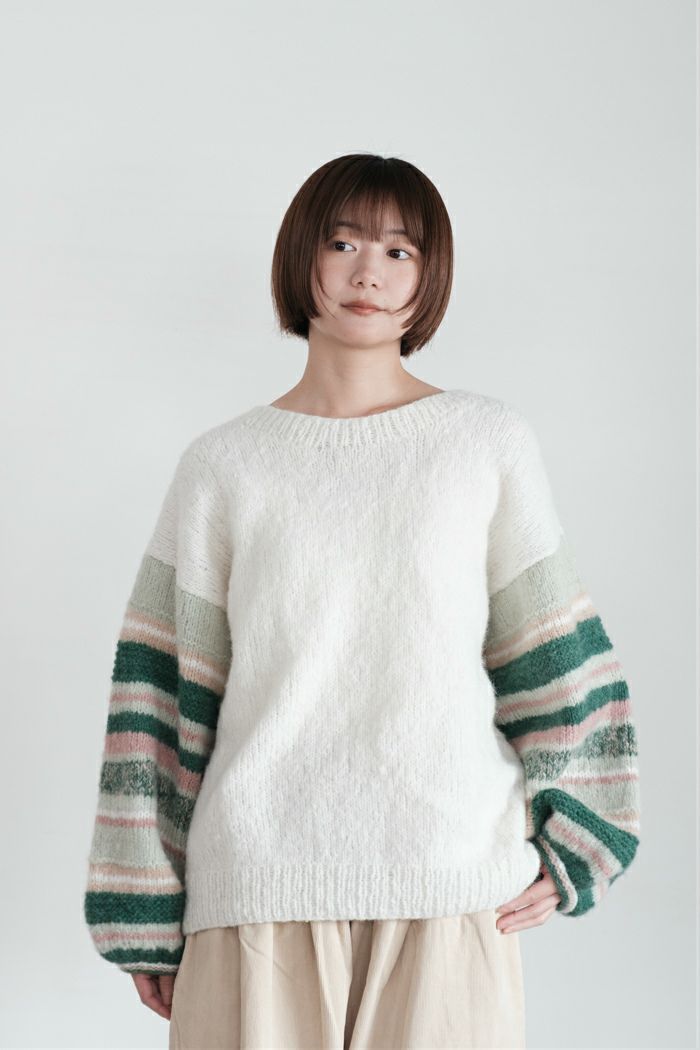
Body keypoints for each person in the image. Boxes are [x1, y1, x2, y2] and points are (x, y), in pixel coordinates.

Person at [83, 152, 642, 1049]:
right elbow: (160, 693)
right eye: (342, 242)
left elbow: (557, 656)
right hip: (257, 888)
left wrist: (586, 836)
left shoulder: (484, 445)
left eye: (399, 251)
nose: (368, 272)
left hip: (449, 885)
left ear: (429, 276)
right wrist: (140, 904)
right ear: (301, 256)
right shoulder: (224, 466)